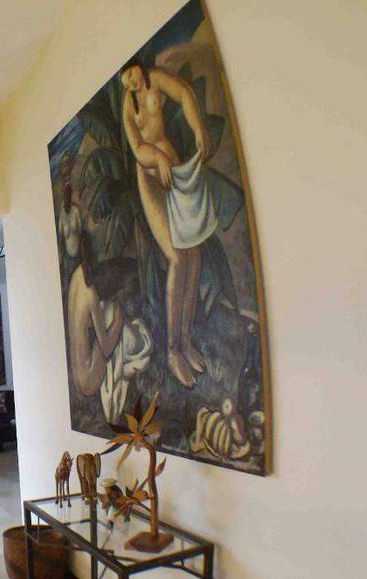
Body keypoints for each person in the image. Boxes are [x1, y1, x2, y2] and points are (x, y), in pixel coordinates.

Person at [120, 60, 214, 389]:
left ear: (138, 66)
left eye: (131, 75)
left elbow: (185, 94)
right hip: (150, 175)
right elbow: (137, 148)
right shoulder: (128, 105)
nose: (130, 83)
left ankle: (185, 343)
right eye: (124, 80)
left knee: (194, 253)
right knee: (177, 257)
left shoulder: (157, 79)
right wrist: (158, 157)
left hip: (175, 173)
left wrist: (199, 129)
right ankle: (173, 351)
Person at [68, 232, 124, 397]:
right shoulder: (91, 293)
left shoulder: (75, 277)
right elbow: (105, 349)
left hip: (77, 379)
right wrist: (118, 322)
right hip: (89, 383)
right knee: (111, 319)